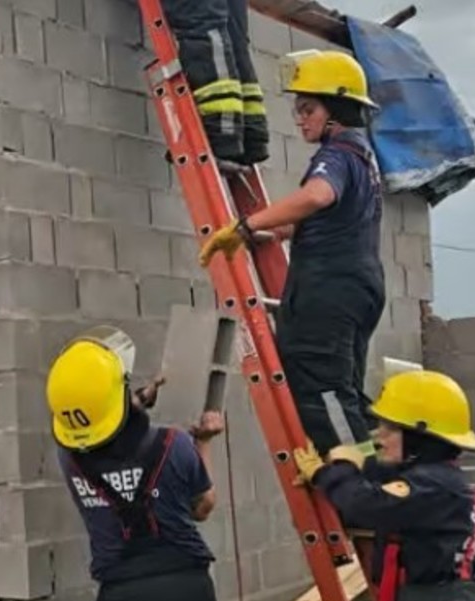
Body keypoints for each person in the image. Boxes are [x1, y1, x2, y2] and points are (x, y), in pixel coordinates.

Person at [197, 49, 385, 455]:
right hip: (359, 288)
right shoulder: (362, 155)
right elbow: (326, 216)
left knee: (322, 387)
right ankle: (377, 468)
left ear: (335, 108)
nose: (300, 118)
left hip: (330, 291)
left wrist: (248, 225)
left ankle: (357, 482)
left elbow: (318, 196)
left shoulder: (336, 154)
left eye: (308, 108)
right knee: (345, 389)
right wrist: (269, 232)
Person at [46, 326, 225, 601]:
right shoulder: (176, 444)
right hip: (185, 593)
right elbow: (203, 506)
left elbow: (104, 429)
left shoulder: (69, 458)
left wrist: (142, 398)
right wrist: (204, 442)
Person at [292, 370, 475, 601]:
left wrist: (330, 473)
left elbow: (369, 504)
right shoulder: (432, 476)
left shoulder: (435, 485)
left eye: (391, 428)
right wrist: (352, 465)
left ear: (418, 436)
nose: (380, 436)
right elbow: (385, 479)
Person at [162, 0, 269, 166]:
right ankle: (250, 135)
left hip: (221, 131)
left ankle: (220, 130)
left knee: (201, 24)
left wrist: (221, 136)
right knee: (233, 37)